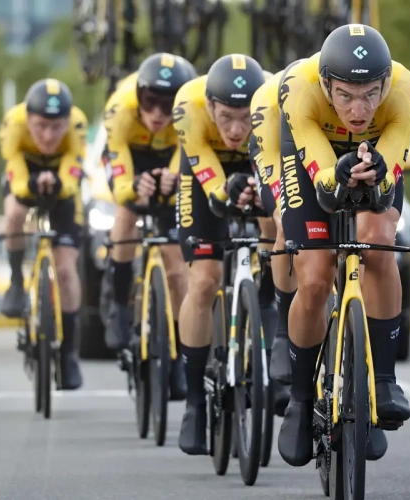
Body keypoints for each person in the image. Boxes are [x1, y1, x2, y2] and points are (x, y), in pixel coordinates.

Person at [265, 23, 410, 467]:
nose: (359, 109)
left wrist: (375, 174)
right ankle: (298, 399)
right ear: (327, 84)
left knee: (379, 241)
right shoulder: (298, 88)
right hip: (310, 153)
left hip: (374, 155)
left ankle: (384, 379)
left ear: (386, 84)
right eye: (347, 95)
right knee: (314, 277)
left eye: (371, 94)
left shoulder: (407, 93)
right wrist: (339, 174)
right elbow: (323, 182)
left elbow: (389, 174)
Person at [173, 54, 273, 455]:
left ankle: (268, 308)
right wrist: (224, 192)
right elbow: (210, 181)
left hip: (259, 159)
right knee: (203, 279)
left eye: (246, 117)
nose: (236, 129)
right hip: (204, 173)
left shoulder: (273, 98)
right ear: (211, 106)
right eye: (227, 117)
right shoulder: (188, 105)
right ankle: (195, 400)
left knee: (278, 226)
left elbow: (279, 178)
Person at [103, 53, 197, 401]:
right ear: (139, 97)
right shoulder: (120, 110)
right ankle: (119, 302)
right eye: (150, 103)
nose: (158, 113)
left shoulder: (191, 111)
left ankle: (177, 348)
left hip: (174, 153)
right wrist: (133, 189)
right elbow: (120, 175)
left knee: (176, 266)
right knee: (127, 214)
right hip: (132, 154)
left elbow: (183, 166)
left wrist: (171, 184)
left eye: (167, 105)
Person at [0, 78, 88, 389]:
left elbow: (74, 176)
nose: (49, 135)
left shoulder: (77, 124)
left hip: (63, 179)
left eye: (56, 127)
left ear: (67, 121)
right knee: (14, 213)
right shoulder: (13, 122)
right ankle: (15, 281)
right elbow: (15, 172)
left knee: (65, 269)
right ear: (28, 119)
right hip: (26, 171)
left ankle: (68, 355)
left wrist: (60, 185)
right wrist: (31, 187)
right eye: (40, 127)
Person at [250, 61, 307, 416]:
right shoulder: (268, 103)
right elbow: (277, 177)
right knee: (284, 221)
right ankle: (285, 330)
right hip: (281, 157)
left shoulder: (355, 101)